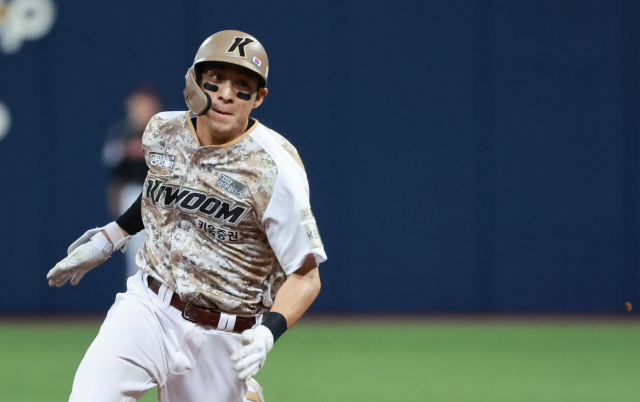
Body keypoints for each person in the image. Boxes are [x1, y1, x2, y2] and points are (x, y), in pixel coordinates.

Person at [46, 30, 326, 402]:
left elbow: (306, 276)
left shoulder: (276, 168)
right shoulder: (162, 130)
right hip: (149, 307)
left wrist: (267, 332)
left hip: (225, 333)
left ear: (259, 98)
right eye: (216, 80)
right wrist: (108, 238)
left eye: (243, 86)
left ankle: (243, 393)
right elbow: (164, 194)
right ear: (195, 81)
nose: (227, 93)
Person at [102, 84, 162, 279]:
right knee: (136, 249)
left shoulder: (164, 131)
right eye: (137, 105)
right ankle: (136, 300)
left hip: (161, 193)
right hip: (132, 193)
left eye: (145, 104)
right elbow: (111, 165)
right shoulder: (122, 133)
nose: (141, 109)